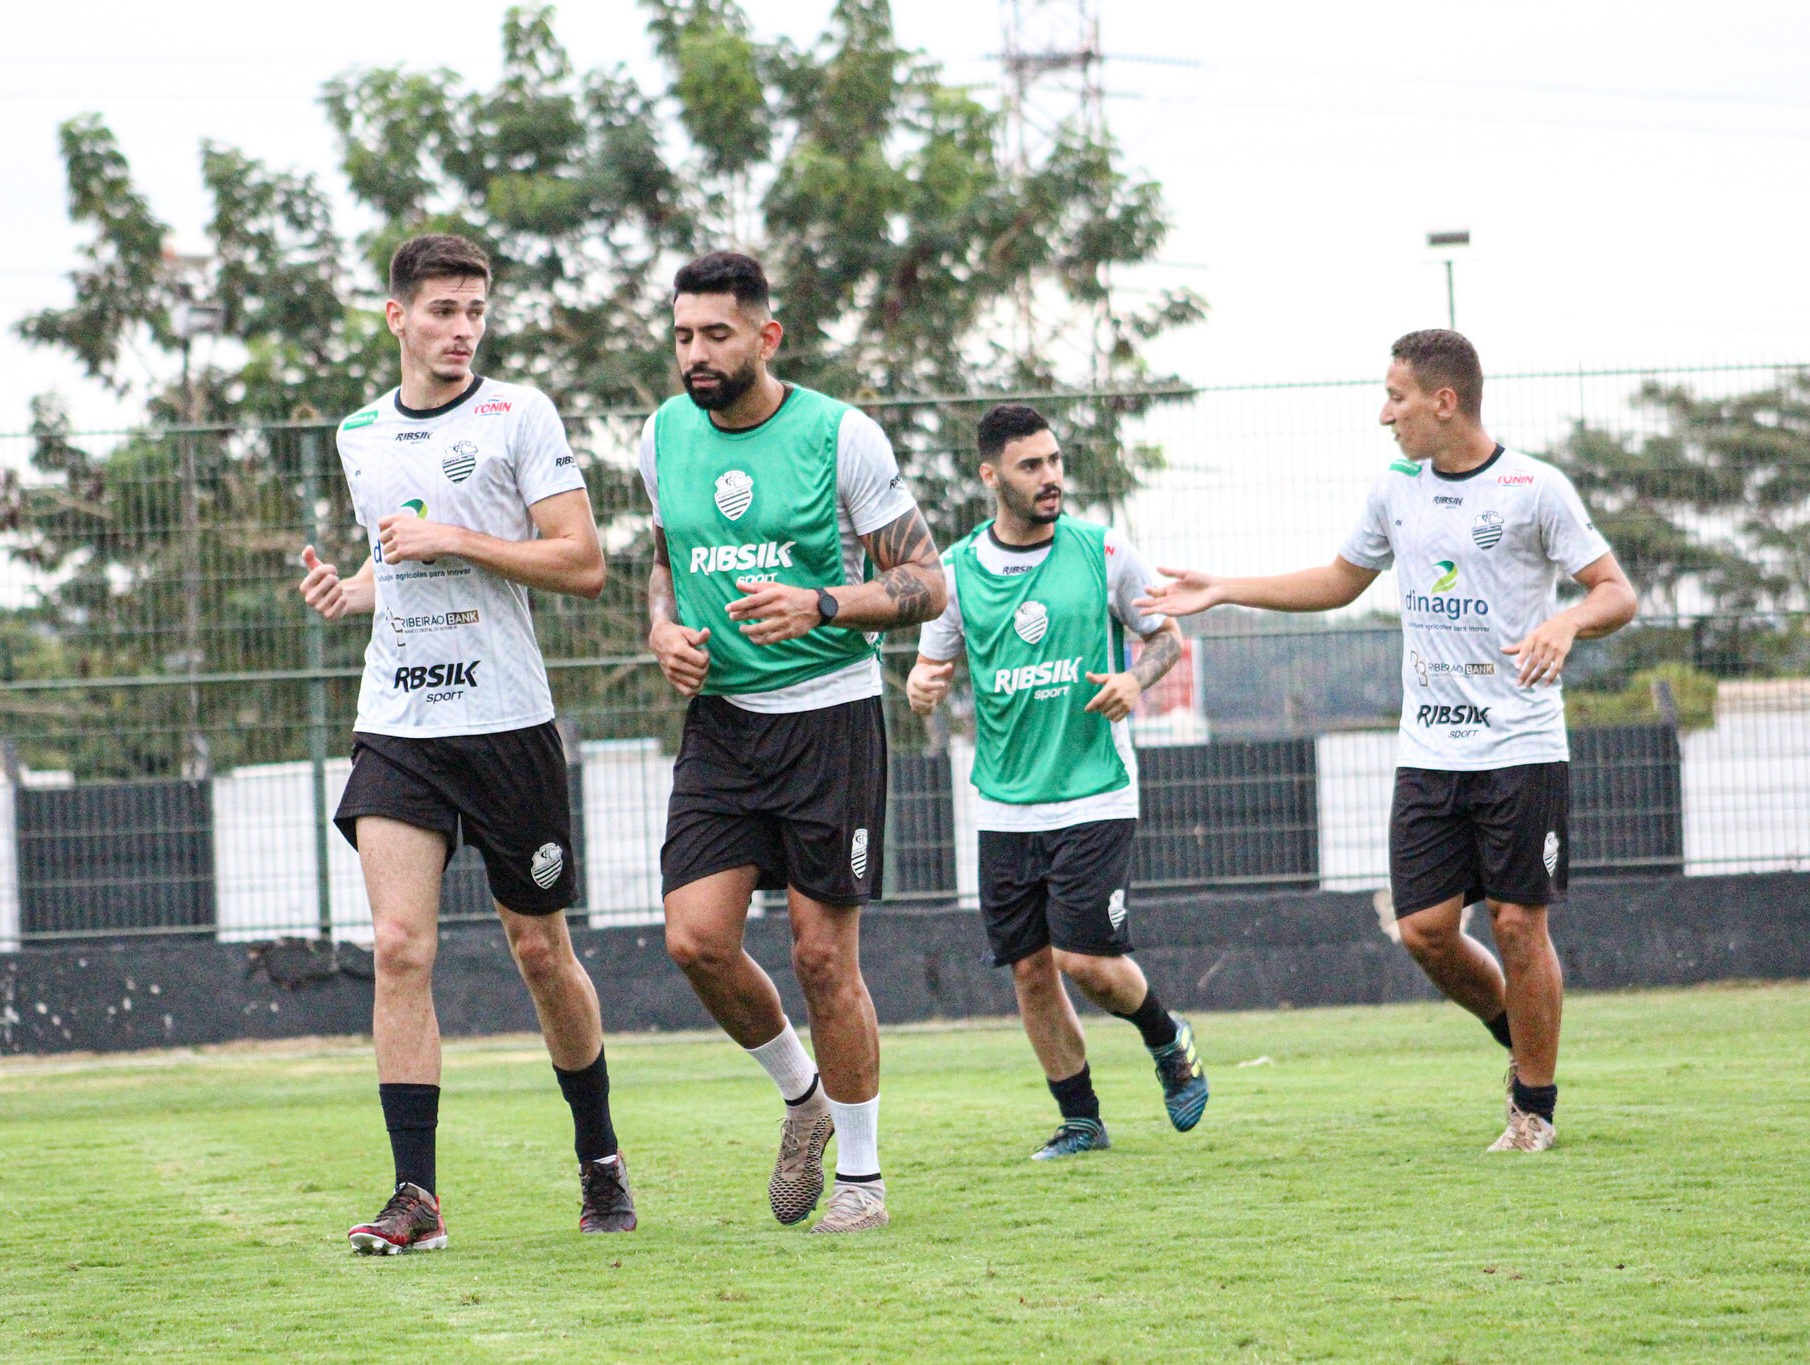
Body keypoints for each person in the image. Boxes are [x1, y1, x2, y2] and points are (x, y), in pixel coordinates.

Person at [1136, 330, 1637, 1153]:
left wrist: (1568, 618)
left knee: (1518, 923)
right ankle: (1524, 1033)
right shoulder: (1396, 490)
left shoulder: (1534, 487)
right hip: (1430, 751)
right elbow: (1339, 581)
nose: (1384, 414)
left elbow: (1616, 591)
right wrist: (1226, 587)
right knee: (1425, 930)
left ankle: (1533, 1107)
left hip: (1521, 745)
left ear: (1444, 401)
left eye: (1396, 396)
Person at [298, 233, 634, 1252]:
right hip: (400, 721)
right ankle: (417, 1197)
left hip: (505, 723)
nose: (459, 329)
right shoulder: (359, 432)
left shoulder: (517, 414)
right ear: (396, 316)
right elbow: (393, 561)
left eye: (474, 310)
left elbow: (581, 564)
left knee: (539, 951)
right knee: (399, 947)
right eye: (441, 310)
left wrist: (455, 539)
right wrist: (353, 588)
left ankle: (600, 1159)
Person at [641, 251, 946, 1234]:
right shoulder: (657, 437)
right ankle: (800, 1096)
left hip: (830, 719)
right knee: (693, 938)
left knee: (822, 956)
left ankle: (859, 1179)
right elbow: (663, 561)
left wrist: (824, 601)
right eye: (683, 334)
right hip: (722, 726)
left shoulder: (837, 434)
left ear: (765, 337)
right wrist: (661, 632)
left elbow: (925, 583)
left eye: (715, 334)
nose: (695, 352)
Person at [906, 404, 1208, 1159]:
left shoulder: (1102, 550)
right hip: (1004, 803)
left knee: (1085, 959)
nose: (1050, 478)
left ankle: (1168, 1038)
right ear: (990, 475)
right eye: (1030, 465)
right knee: (1031, 969)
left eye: (1054, 462)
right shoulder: (956, 571)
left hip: (1095, 788)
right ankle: (1081, 1120)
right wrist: (921, 683)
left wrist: (1136, 681)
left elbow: (1167, 638)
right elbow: (931, 662)